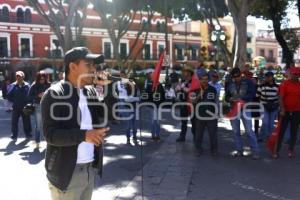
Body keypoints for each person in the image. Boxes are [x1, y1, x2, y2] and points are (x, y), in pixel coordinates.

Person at [41, 47, 110, 200]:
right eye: (88, 65)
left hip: (89, 169)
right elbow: (50, 135)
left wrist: (106, 89)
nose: (94, 69)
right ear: (72, 67)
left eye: (94, 65)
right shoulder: (54, 94)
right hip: (67, 173)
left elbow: (104, 118)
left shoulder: (90, 91)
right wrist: (84, 136)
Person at [225, 68, 260, 159]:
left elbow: (252, 94)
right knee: (236, 131)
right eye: (235, 77)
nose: (237, 78)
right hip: (234, 109)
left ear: (241, 75)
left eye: (238, 76)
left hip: (246, 108)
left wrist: (242, 99)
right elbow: (226, 96)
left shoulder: (248, 82)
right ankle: (239, 150)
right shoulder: (230, 83)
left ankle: (255, 151)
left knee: (249, 131)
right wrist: (230, 99)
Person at [274, 67, 300, 159]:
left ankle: (290, 150)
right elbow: (280, 98)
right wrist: (282, 109)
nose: (296, 76)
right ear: (291, 74)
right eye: (294, 74)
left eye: (297, 74)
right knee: (281, 132)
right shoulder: (285, 84)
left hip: (297, 112)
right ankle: (276, 150)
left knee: (294, 132)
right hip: (285, 112)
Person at [194, 73, 218, 156]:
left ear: (208, 80)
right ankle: (198, 149)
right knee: (198, 134)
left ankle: (214, 150)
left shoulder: (213, 89)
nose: (204, 81)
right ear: (200, 80)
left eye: (206, 79)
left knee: (213, 134)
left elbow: (216, 101)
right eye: (202, 79)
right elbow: (193, 102)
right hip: (200, 116)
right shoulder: (196, 89)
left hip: (211, 116)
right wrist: (199, 94)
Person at [7, 71, 32, 140]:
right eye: (17, 76)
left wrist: (29, 103)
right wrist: (14, 101)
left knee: (27, 121)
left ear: (23, 77)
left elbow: (30, 95)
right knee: (14, 122)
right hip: (16, 107)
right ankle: (14, 135)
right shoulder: (12, 85)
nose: (18, 78)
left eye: (19, 76)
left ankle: (28, 134)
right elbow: (8, 95)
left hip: (25, 107)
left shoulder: (27, 85)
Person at [175, 65, 197, 142]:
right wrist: (181, 87)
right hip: (183, 103)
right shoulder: (183, 81)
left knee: (194, 121)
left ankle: (195, 136)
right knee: (183, 121)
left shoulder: (194, 81)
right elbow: (177, 88)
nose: (184, 73)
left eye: (186, 72)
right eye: (184, 72)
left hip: (191, 104)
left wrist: (182, 88)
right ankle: (182, 136)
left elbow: (189, 90)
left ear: (190, 73)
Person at [28, 72, 50, 148]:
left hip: (48, 106)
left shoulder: (49, 85)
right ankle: (37, 142)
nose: (42, 80)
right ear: (38, 79)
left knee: (49, 124)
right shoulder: (34, 85)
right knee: (38, 125)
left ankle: (49, 142)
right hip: (38, 106)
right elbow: (29, 97)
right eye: (41, 79)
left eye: (43, 79)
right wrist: (38, 95)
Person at [256, 71, 279, 142]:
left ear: (272, 77)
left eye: (269, 77)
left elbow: (279, 97)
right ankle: (261, 136)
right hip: (264, 107)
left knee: (271, 124)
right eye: (266, 77)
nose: (267, 78)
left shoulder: (277, 87)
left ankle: (269, 137)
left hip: (274, 107)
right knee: (265, 122)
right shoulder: (261, 86)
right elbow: (257, 95)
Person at [144, 71, 165, 141]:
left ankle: (158, 135)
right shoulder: (149, 85)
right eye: (152, 76)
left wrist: (160, 103)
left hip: (158, 106)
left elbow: (163, 95)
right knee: (153, 121)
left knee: (158, 121)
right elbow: (146, 95)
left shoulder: (160, 85)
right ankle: (153, 135)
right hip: (152, 106)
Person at [124, 78, 140, 143]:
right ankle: (128, 138)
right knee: (128, 124)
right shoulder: (126, 90)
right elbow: (126, 100)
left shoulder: (137, 90)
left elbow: (139, 98)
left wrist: (132, 98)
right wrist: (135, 98)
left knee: (135, 124)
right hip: (128, 109)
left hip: (135, 108)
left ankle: (135, 137)